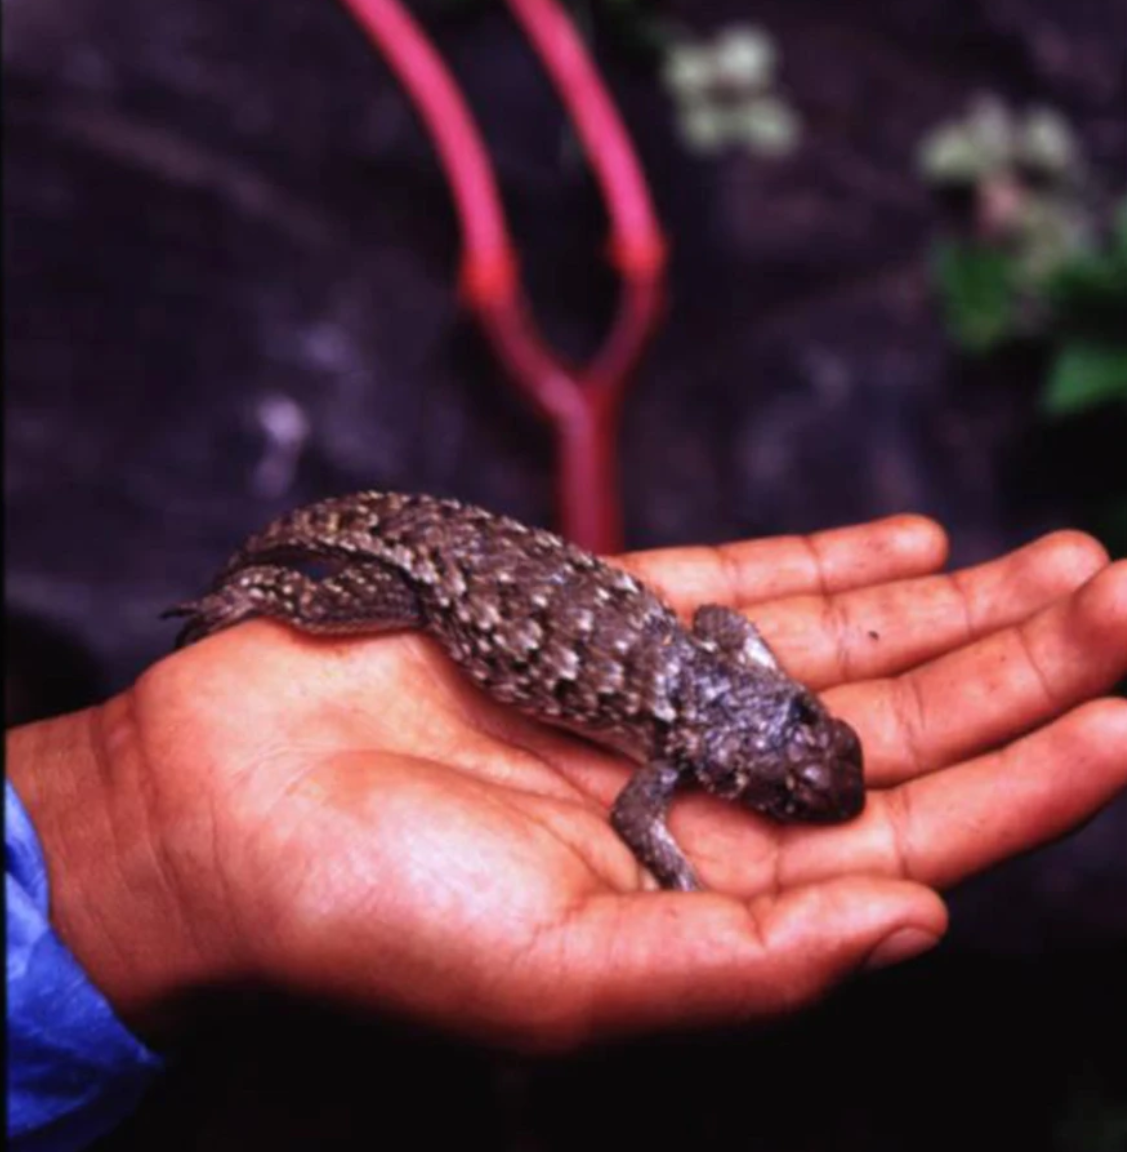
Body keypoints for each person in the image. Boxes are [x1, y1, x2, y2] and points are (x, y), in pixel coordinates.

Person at [7, 514, 1127, 1151]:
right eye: (785, 794)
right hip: (440, 580)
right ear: (735, 768)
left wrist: (758, 691)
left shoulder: (704, 700)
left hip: (499, 562)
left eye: (792, 780)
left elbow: (715, 630)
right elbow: (638, 806)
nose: (795, 801)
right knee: (368, 607)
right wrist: (677, 869)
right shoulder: (679, 747)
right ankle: (258, 592)